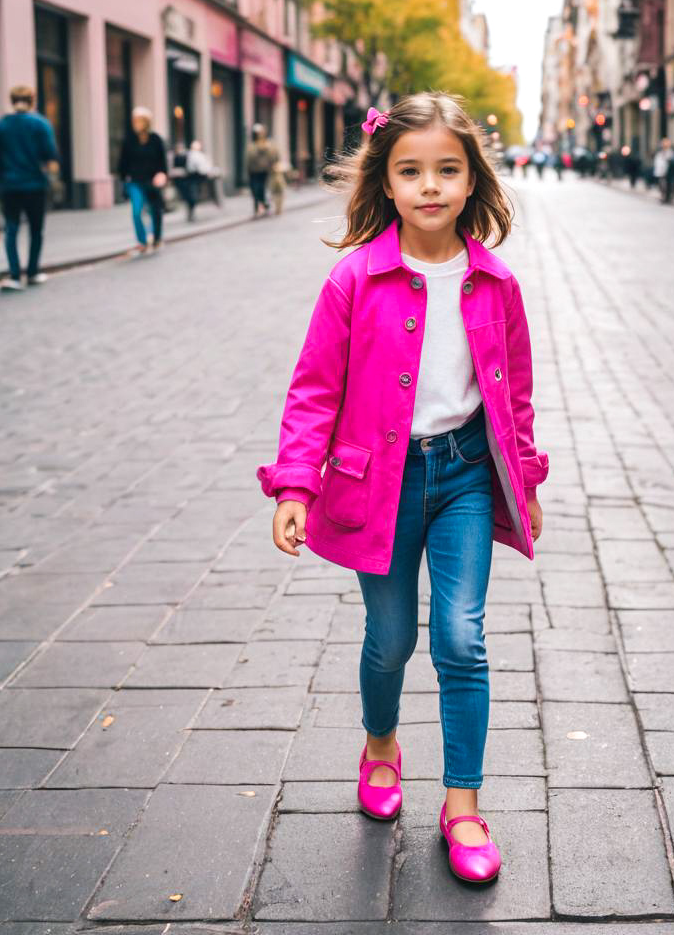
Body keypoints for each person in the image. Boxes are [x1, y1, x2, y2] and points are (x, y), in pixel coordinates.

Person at [257, 92, 548, 887]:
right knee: (391, 642)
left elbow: (512, 394)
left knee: (462, 638)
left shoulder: (496, 283)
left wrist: (525, 480)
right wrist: (294, 486)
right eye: (411, 171)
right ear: (386, 182)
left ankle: (463, 806)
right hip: (374, 483)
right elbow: (313, 390)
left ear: (471, 180)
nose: (429, 186)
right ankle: (380, 745)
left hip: (462, 478)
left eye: (446, 170)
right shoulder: (354, 279)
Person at [0, 84, 60, 291]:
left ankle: (15, 274)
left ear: (12, 100)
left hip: (10, 185)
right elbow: (51, 156)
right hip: (35, 184)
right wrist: (52, 177)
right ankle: (33, 271)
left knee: (11, 228)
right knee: (36, 229)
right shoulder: (41, 124)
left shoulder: (0, 126)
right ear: (32, 100)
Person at [117, 107, 167, 253]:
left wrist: (162, 174)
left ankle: (156, 238)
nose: (135, 123)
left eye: (139, 120)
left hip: (152, 181)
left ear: (146, 122)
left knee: (155, 211)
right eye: (134, 120)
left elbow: (162, 162)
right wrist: (123, 179)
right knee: (137, 211)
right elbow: (123, 162)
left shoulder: (156, 139)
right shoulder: (129, 140)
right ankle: (142, 241)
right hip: (134, 181)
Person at [246, 123, 279, 217]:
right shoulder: (252, 145)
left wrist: (272, 165)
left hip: (263, 171)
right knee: (255, 190)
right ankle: (259, 207)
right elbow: (248, 158)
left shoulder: (268, 145)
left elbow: (274, 156)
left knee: (259, 189)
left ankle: (263, 206)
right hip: (253, 171)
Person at [653, 138, 674, 204]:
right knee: (661, 185)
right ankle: (664, 196)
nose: (665, 145)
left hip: (668, 172)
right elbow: (657, 162)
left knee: (668, 185)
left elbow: (673, 161)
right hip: (660, 172)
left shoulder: (671, 152)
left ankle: (667, 198)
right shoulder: (659, 152)